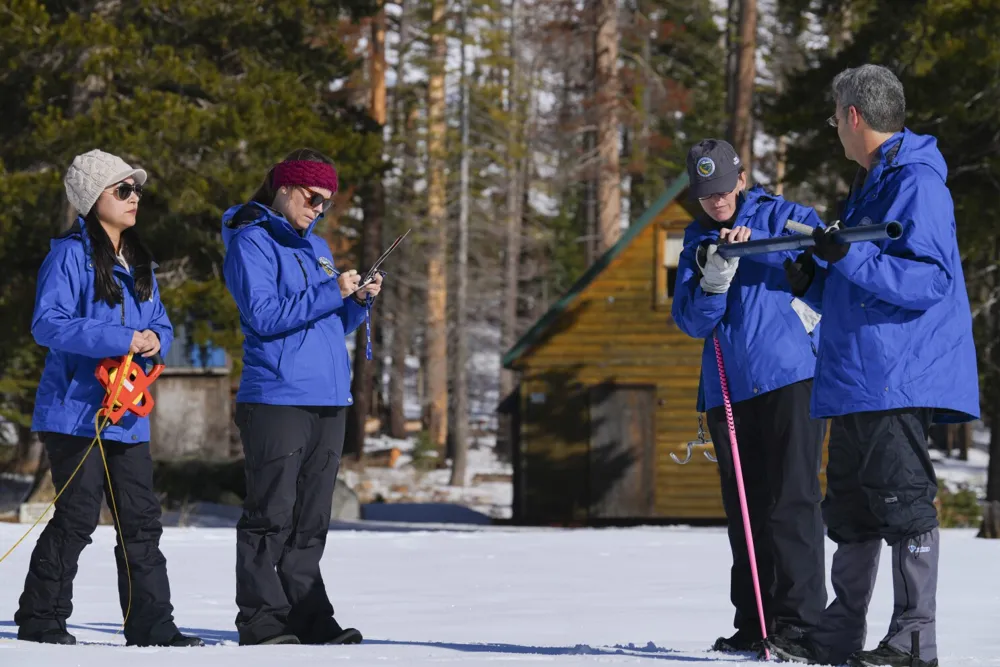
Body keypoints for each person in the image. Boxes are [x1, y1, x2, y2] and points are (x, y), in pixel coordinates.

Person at [772, 64, 979, 667]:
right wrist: (813, 280)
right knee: (852, 510)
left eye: (836, 117)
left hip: (894, 373)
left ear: (855, 117)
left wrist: (848, 261)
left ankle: (915, 638)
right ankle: (840, 634)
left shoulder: (916, 183)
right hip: (856, 376)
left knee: (902, 502)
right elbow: (860, 277)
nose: (834, 128)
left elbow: (928, 280)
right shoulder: (872, 184)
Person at [14, 149, 203, 648]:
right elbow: (47, 325)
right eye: (123, 189)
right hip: (75, 411)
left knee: (141, 520)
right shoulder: (68, 256)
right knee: (77, 518)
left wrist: (155, 338)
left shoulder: (139, 260)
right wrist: (123, 339)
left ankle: (151, 624)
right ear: (91, 197)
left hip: (127, 413)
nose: (134, 197)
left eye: (136, 189)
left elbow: (158, 321)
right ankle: (41, 618)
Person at [672, 139, 828, 654]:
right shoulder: (696, 241)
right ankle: (754, 621)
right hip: (727, 390)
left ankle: (800, 625)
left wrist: (760, 245)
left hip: (788, 377)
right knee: (747, 508)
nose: (716, 202)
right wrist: (714, 281)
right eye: (705, 194)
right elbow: (693, 322)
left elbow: (823, 268)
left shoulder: (785, 215)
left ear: (741, 179)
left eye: (722, 190)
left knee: (793, 501)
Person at [221, 148, 382, 646]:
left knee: (311, 519)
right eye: (314, 198)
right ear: (286, 187)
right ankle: (262, 621)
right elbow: (265, 316)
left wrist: (356, 303)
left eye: (327, 203)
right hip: (277, 397)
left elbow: (328, 323)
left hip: (329, 399)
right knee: (271, 513)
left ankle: (309, 617)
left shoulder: (317, 248)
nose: (319, 209)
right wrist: (330, 293)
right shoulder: (252, 241)